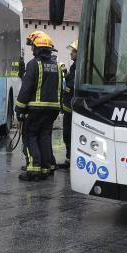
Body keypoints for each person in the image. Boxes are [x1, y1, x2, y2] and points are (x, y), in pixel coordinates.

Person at [15, 32, 63, 181]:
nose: (31, 50)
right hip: (53, 109)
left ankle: (34, 169)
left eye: (33, 47)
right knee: (44, 137)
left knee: (30, 136)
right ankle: (45, 167)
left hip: (35, 109)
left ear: (38, 49)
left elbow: (27, 88)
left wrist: (19, 109)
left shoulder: (34, 64)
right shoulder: (57, 66)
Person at [58, 39, 77, 170]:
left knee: (69, 134)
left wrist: (66, 79)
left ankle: (71, 160)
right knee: (67, 135)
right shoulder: (74, 66)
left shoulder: (80, 67)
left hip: (71, 109)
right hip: (69, 108)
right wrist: (65, 74)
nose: (71, 53)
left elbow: (72, 85)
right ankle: (69, 159)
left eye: (73, 51)